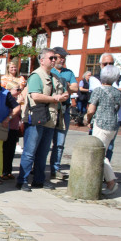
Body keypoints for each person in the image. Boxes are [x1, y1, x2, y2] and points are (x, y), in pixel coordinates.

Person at [17, 49, 68, 192]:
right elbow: (35, 96)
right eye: (51, 58)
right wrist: (55, 99)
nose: (54, 60)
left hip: (51, 118)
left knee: (43, 152)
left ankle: (39, 180)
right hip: (37, 117)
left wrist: (64, 95)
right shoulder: (36, 76)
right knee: (30, 151)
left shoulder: (55, 76)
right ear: (42, 60)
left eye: (55, 58)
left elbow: (64, 92)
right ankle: (23, 180)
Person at [83, 65, 121, 195]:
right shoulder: (118, 92)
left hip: (101, 124)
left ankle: (111, 182)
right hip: (113, 125)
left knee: (99, 154)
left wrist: (88, 119)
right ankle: (100, 180)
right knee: (102, 151)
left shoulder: (98, 91)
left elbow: (91, 109)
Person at [49, 47, 78, 180]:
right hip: (49, 109)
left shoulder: (68, 72)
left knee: (59, 142)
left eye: (64, 57)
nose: (62, 59)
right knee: (44, 140)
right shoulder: (49, 70)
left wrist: (63, 85)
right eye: (60, 57)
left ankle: (55, 168)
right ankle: (36, 166)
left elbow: (75, 87)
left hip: (63, 110)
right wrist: (66, 86)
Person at [1, 80, 24, 181]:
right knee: (5, 151)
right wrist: (17, 104)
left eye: (20, 89)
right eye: (17, 89)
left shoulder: (17, 99)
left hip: (14, 128)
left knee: (11, 151)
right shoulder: (7, 99)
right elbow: (7, 111)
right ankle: (3, 171)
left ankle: (8, 171)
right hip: (6, 128)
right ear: (9, 90)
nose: (19, 91)